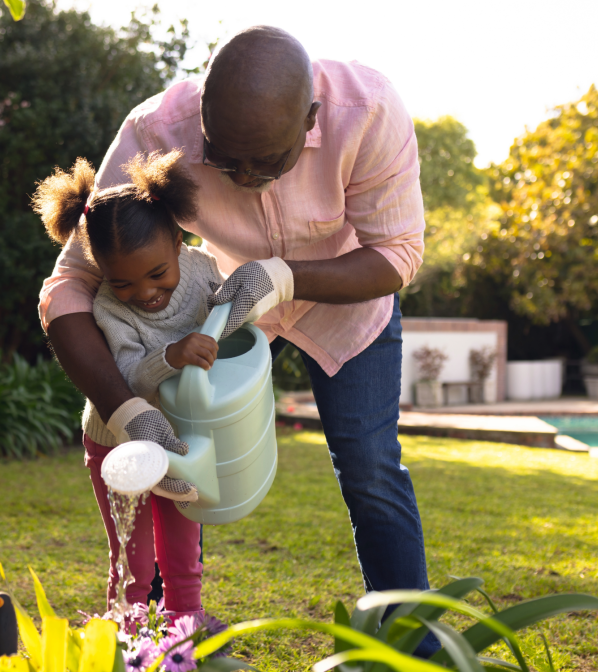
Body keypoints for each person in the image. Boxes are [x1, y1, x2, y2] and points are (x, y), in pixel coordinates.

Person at [39, 26, 438, 654]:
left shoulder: (369, 113)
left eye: (267, 161)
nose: (247, 176)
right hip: (214, 311)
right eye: (227, 160)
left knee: (368, 468)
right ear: (201, 119)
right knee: (182, 457)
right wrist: (127, 410)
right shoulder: (155, 133)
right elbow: (68, 284)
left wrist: (284, 276)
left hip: (344, 304)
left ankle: (413, 650)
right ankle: (158, 639)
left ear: (308, 120)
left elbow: (398, 254)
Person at [32, 149, 219, 621]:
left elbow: (224, 314)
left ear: (178, 243)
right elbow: (129, 378)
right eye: (123, 283)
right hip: (117, 442)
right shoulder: (107, 308)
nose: (144, 293)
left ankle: (185, 628)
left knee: (183, 546)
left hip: (176, 434)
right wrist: (172, 355)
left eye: (157, 274)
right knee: (133, 555)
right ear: (100, 271)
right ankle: (129, 632)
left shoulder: (202, 270)